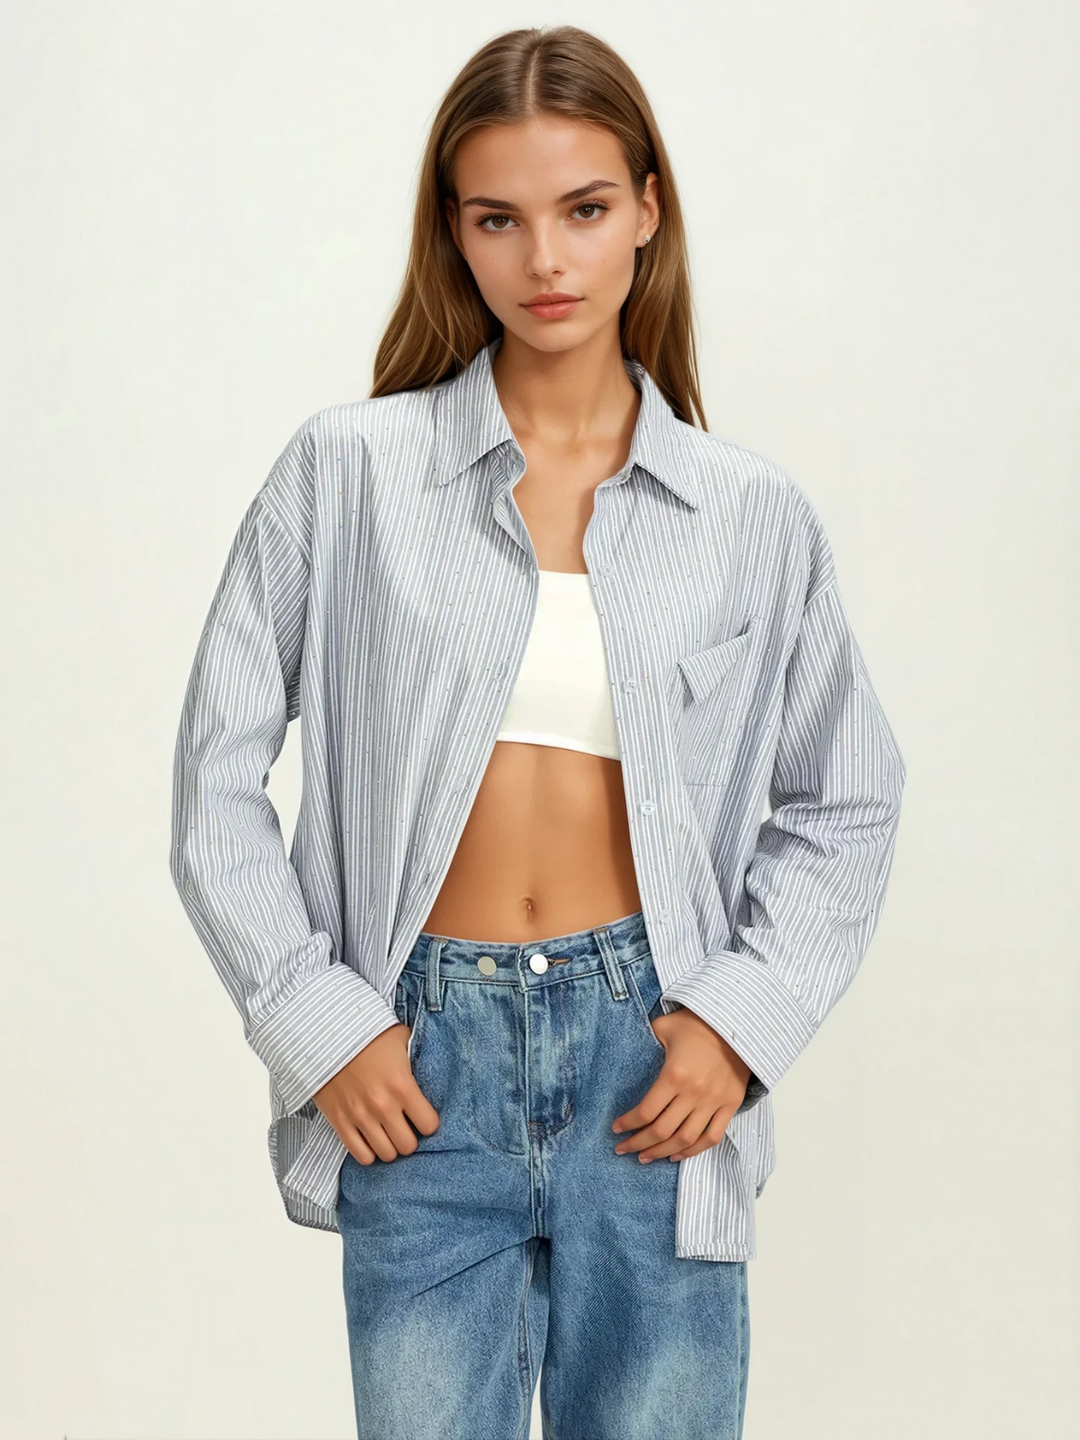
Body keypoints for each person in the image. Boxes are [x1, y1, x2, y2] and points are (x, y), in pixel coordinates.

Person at [169, 24, 906, 1440]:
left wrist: (737, 1026)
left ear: (648, 212)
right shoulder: (347, 475)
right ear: (454, 234)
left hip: (655, 1064)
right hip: (417, 1063)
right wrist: (321, 1024)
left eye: (583, 209)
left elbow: (849, 796)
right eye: (497, 218)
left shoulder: (749, 516)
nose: (546, 260)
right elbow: (214, 781)